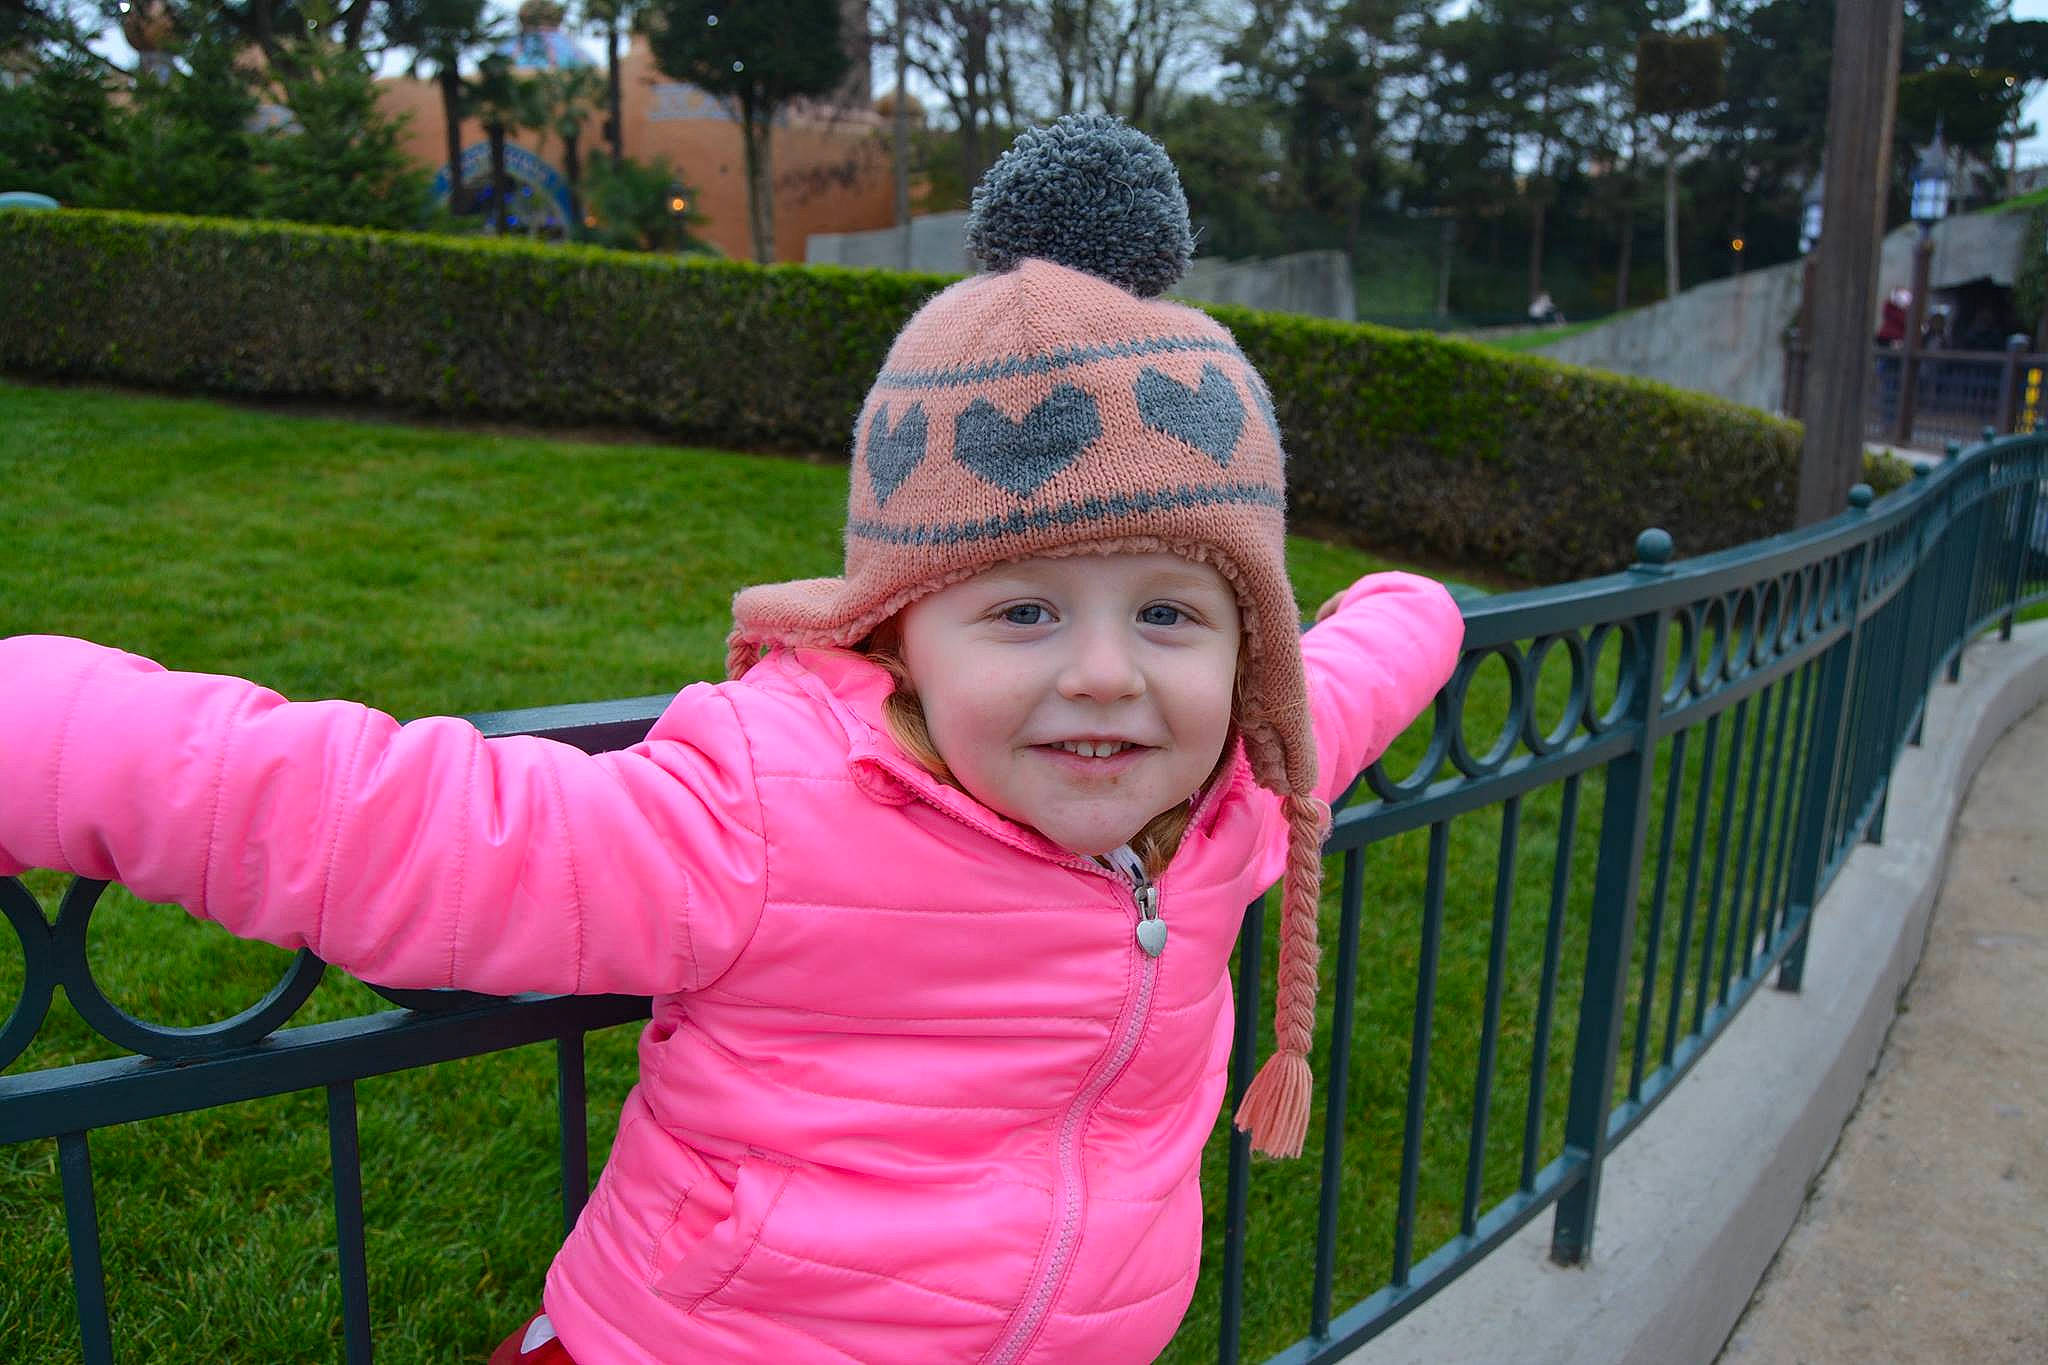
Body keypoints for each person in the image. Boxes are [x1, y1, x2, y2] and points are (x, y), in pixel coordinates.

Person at [0, 115, 1464, 1363]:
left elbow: (1350, 675)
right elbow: (402, 828)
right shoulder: (765, 808)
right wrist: (35, 727)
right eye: (1023, 612)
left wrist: (1422, 603)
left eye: (1170, 614)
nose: (1106, 676)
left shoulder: (1237, 795)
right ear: (900, 629)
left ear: (1243, 654)